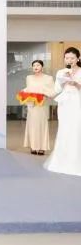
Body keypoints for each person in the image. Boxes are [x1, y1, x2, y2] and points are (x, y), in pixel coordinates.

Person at [44, 47, 81, 176]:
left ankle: (76, 160)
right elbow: (57, 89)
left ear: (78, 58)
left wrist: (76, 84)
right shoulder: (61, 72)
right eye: (67, 58)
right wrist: (46, 93)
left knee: (76, 128)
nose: (69, 60)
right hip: (65, 104)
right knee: (64, 129)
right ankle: (62, 160)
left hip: (77, 102)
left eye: (72, 58)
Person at [22, 60, 55, 155]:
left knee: (42, 125)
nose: (35, 67)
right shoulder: (29, 78)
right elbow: (28, 89)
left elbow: (53, 91)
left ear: (42, 67)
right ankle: (33, 146)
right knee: (32, 125)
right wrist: (24, 92)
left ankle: (42, 147)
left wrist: (44, 93)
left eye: (38, 65)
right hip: (31, 105)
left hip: (42, 105)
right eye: (34, 65)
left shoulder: (48, 78)